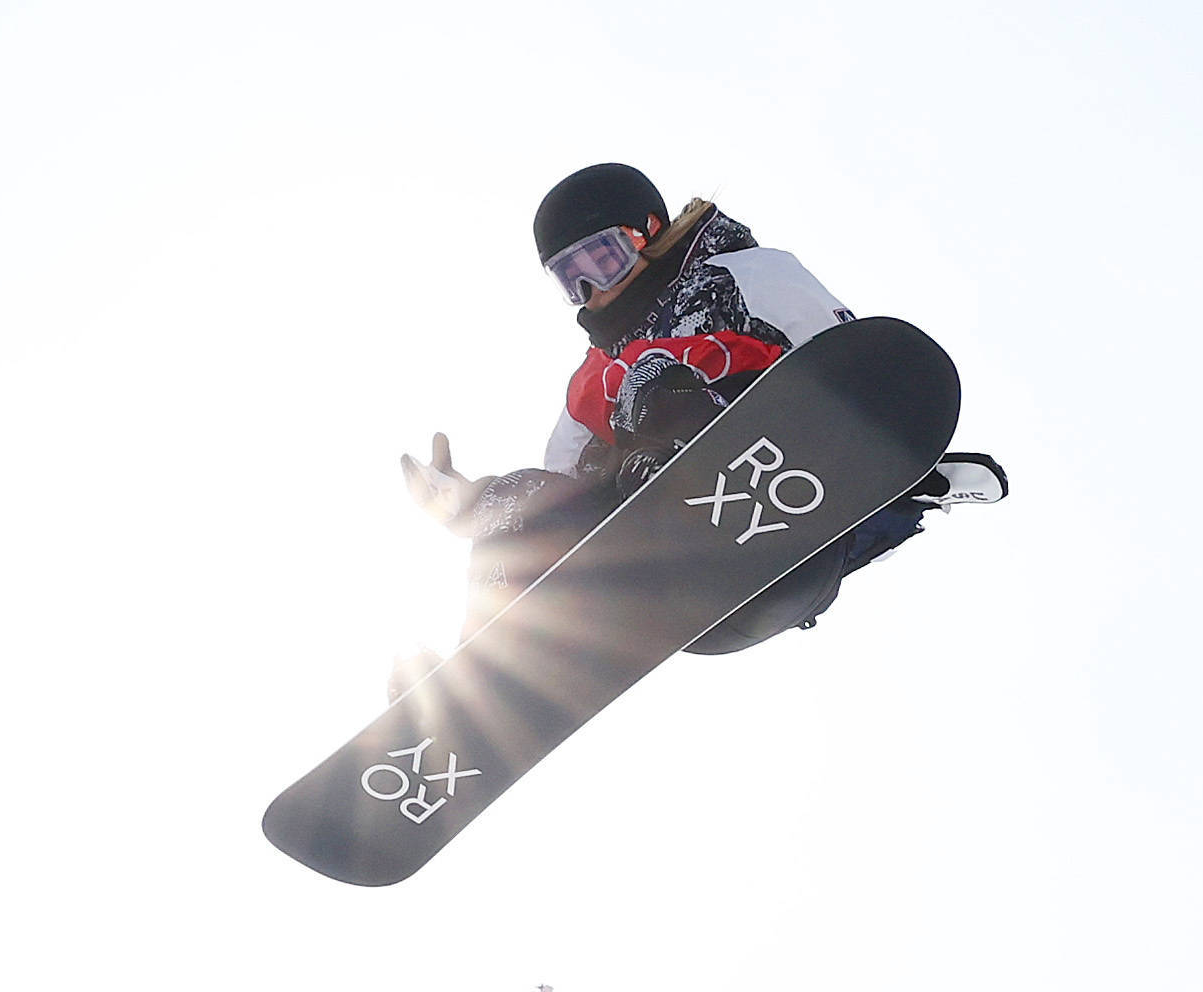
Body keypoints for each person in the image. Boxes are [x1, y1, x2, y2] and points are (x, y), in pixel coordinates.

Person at [402, 163, 1004, 659]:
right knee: (513, 516)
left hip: (779, 552)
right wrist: (476, 501)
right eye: (572, 281)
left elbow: (843, 369)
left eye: (602, 263)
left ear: (648, 231)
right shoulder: (589, 383)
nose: (594, 293)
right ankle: (471, 686)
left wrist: (907, 474)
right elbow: (553, 495)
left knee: (657, 384)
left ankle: (681, 468)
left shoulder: (746, 276)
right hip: (673, 589)